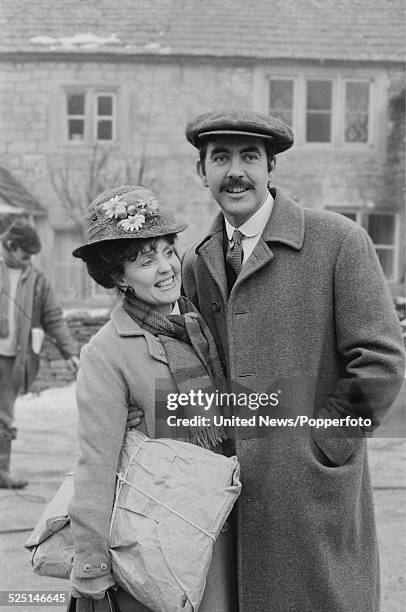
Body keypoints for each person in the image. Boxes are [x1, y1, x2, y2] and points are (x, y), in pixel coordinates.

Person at [182, 110, 406, 611]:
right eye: (220, 158)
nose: (234, 171)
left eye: (249, 157)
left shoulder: (339, 242)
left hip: (312, 491)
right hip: (233, 492)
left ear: (270, 168)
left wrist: (324, 444)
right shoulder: (198, 262)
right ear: (203, 172)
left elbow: (382, 363)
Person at [69, 185, 236, 611]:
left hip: (218, 521)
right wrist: (90, 560)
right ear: (118, 277)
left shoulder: (201, 327)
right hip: (158, 535)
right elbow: (96, 462)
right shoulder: (107, 352)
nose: (166, 268)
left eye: (167, 251)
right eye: (146, 260)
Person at [0, 220, 79, 489]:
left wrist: (70, 351)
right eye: (25, 253)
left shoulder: (37, 280)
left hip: (12, 360)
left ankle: (2, 471)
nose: (29, 260)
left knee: (4, 417)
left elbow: (53, 318)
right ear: (11, 246)